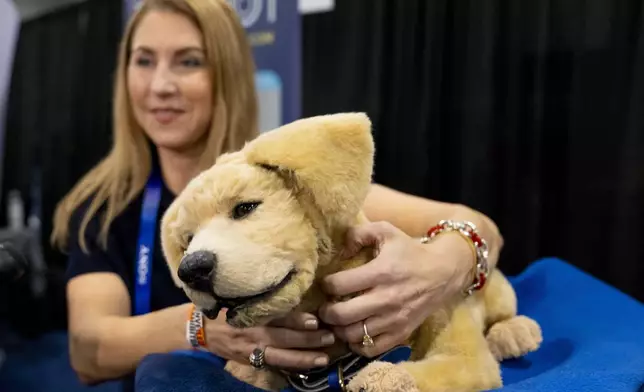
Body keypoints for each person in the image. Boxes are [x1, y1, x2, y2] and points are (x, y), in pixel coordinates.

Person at [50, 0, 504, 391]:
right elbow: (88, 349)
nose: (160, 85)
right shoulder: (101, 208)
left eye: (188, 61)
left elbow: (478, 226)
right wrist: (203, 329)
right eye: (143, 60)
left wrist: (437, 270)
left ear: (225, 74)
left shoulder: (284, 181)